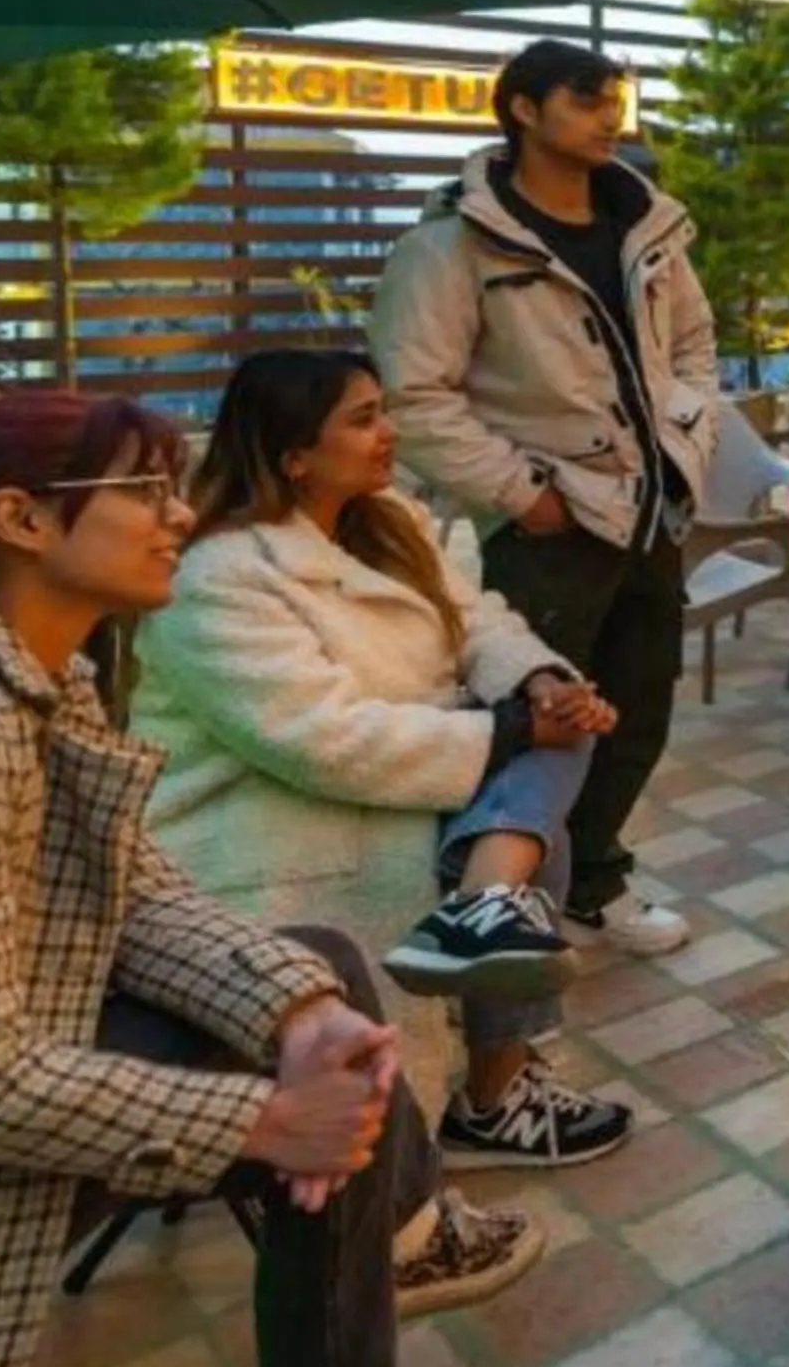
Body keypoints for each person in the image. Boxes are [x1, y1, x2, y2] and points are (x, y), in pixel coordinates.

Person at [0, 391, 543, 1367]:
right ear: (22, 520)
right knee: (332, 1084)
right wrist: (270, 1119)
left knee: (323, 987)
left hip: (76, 994)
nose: (177, 515)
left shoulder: (48, 679)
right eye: (144, 491)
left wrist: (304, 1013)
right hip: (51, 1040)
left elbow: (133, 890)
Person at [133, 353, 637, 1171]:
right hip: (267, 820)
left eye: (384, 411)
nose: (390, 433)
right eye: (363, 419)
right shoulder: (218, 578)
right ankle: (491, 1074)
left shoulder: (386, 522)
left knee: (564, 733)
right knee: (534, 823)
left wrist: (543, 685)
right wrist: (509, 734)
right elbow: (320, 741)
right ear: (295, 454)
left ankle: (485, 911)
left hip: (391, 768)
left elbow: (475, 620)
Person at [370, 37, 719, 959]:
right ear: (522, 109)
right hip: (549, 524)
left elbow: (694, 347)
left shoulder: (650, 226)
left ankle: (591, 880)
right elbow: (415, 395)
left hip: (650, 514)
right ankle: (500, 895)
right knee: (544, 724)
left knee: (639, 714)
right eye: (584, 97)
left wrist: (687, 444)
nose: (609, 115)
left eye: (615, 96)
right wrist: (523, 494)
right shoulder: (453, 244)